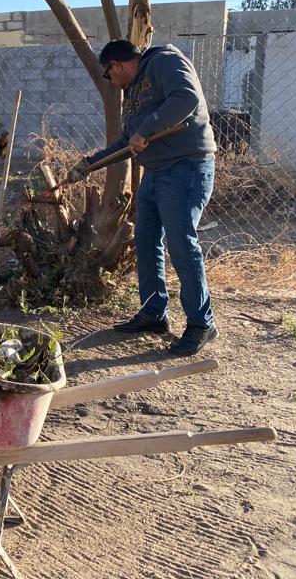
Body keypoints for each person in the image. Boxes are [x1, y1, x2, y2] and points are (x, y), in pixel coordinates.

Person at [68, 40, 218, 357]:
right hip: (155, 172)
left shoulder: (164, 62)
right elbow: (127, 141)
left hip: (186, 167)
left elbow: (187, 98)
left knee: (181, 242)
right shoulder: (134, 93)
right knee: (146, 240)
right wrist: (89, 164)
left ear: (116, 65)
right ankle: (153, 313)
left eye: (108, 73)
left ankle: (201, 323)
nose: (110, 80)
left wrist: (148, 128)